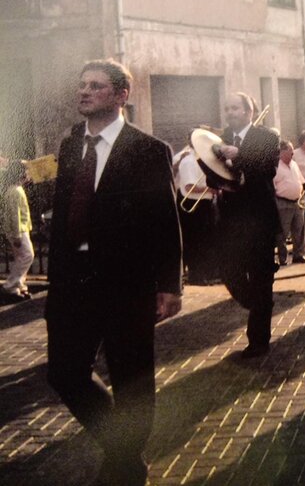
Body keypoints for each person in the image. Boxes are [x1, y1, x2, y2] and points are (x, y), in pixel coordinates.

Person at [45, 59, 182, 485]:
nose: (84, 92)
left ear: (122, 95)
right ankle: (121, 445)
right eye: (82, 84)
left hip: (127, 284)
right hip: (72, 283)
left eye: (96, 86)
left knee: (132, 380)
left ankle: (127, 461)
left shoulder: (147, 150)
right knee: (64, 373)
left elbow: (165, 221)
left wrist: (169, 285)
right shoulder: (70, 145)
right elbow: (67, 207)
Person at [215, 92, 280, 358]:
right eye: (227, 108)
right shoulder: (221, 138)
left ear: (248, 112)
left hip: (260, 220)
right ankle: (259, 303)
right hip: (231, 221)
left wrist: (239, 156)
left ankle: (258, 341)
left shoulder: (266, 137)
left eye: (235, 108)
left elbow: (268, 169)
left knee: (261, 278)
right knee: (229, 270)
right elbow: (212, 173)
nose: (230, 113)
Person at [173, 143, 218, 285]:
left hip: (203, 204)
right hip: (193, 205)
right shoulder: (188, 161)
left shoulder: (201, 161)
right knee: (195, 242)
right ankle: (196, 276)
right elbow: (189, 187)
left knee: (206, 240)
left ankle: (205, 273)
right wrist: (210, 189)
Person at [1, 160, 34, 302]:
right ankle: (11, 286)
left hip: (20, 229)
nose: (28, 174)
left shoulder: (15, 189)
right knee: (28, 256)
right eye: (26, 171)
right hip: (19, 231)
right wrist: (17, 235)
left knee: (21, 258)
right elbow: (15, 215)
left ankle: (19, 286)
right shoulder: (15, 191)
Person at [274, 139, 305, 265]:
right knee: (282, 232)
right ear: (282, 152)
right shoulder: (275, 166)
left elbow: (300, 181)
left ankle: (299, 255)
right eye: (289, 149)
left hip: (297, 202)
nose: (292, 152)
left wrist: (302, 198)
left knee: (299, 230)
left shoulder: (294, 164)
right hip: (283, 203)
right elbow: (272, 187)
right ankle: (282, 258)